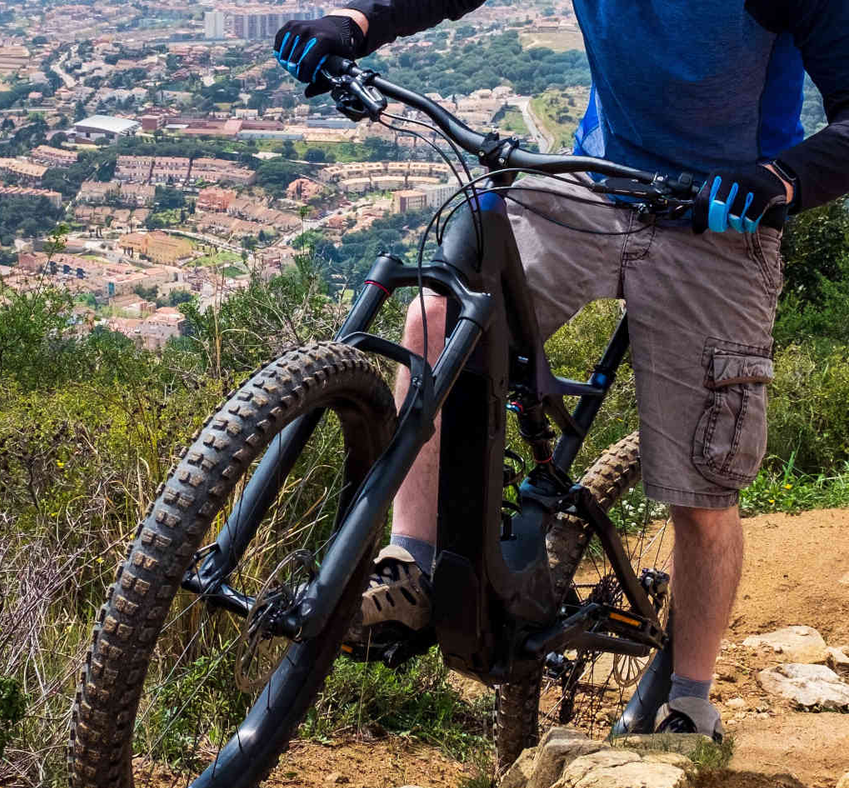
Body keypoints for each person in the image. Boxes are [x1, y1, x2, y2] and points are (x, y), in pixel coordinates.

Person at [274, 1, 849, 739]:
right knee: (434, 321)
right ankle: (409, 566)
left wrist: (783, 180)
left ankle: (690, 705)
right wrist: (356, 22)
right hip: (592, 182)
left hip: (717, 221)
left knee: (702, 484)